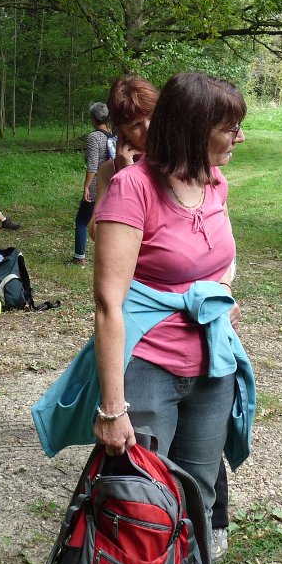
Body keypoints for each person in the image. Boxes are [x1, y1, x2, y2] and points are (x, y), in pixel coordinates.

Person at [90, 71, 252, 529]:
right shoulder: (131, 187)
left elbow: (224, 258)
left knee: (198, 487)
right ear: (195, 130)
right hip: (149, 365)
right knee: (144, 496)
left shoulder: (215, 180)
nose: (240, 136)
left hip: (212, 363)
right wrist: (113, 407)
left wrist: (219, 292)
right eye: (230, 128)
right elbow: (108, 304)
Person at [88, 76, 158, 242]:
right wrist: (126, 176)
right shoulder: (110, 170)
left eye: (153, 117)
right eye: (136, 125)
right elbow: (95, 231)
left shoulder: (177, 160)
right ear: (121, 132)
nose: (149, 129)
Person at [71, 101, 114, 266]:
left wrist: (87, 187)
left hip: (97, 184)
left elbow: (93, 166)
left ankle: (79, 257)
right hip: (112, 183)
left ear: (93, 119)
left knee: (82, 220)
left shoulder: (93, 137)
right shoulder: (113, 135)